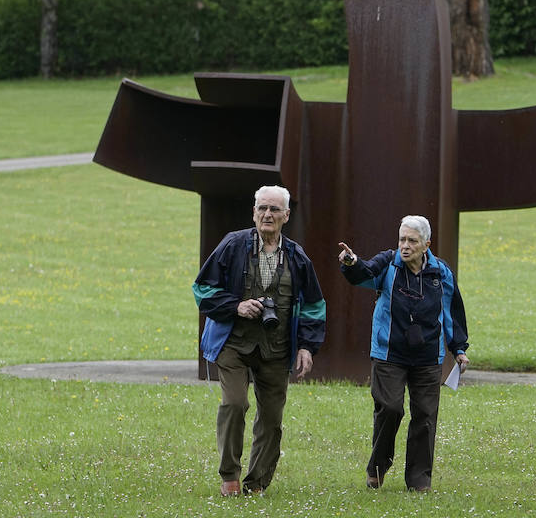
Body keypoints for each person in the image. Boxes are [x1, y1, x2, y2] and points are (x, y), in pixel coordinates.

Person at [193, 185, 326, 496]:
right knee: (234, 403)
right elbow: (202, 289)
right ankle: (230, 477)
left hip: (276, 349)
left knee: (272, 419)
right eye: (263, 208)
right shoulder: (233, 245)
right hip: (233, 343)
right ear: (253, 213)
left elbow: (314, 305)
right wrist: (235, 306)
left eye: (275, 210)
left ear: (286, 216)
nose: (268, 214)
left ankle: (257, 483)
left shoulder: (297, 257)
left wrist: (307, 345)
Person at [338, 215, 469, 492]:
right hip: (389, 353)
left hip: (427, 356)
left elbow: (452, 312)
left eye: (412, 240)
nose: (405, 246)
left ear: (426, 244)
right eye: (402, 239)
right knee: (390, 409)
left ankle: (419, 482)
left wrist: (458, 349)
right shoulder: (388, 263)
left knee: (425, 416)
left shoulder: (440, 273)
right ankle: (377, 468)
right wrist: (351, 263)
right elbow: (365, 274)